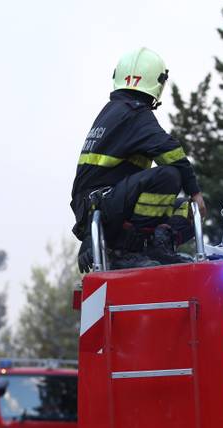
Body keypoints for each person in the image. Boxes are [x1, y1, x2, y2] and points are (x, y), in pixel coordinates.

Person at [71, 47, 206, 271]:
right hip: (104, 207)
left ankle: (158, 245)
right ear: (159, 82)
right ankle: (126, 251)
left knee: (187, 211)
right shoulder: (134, 113)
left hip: (100, 206)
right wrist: (196, 192)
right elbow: (171, 154)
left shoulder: (115, 111)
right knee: (169, 176)